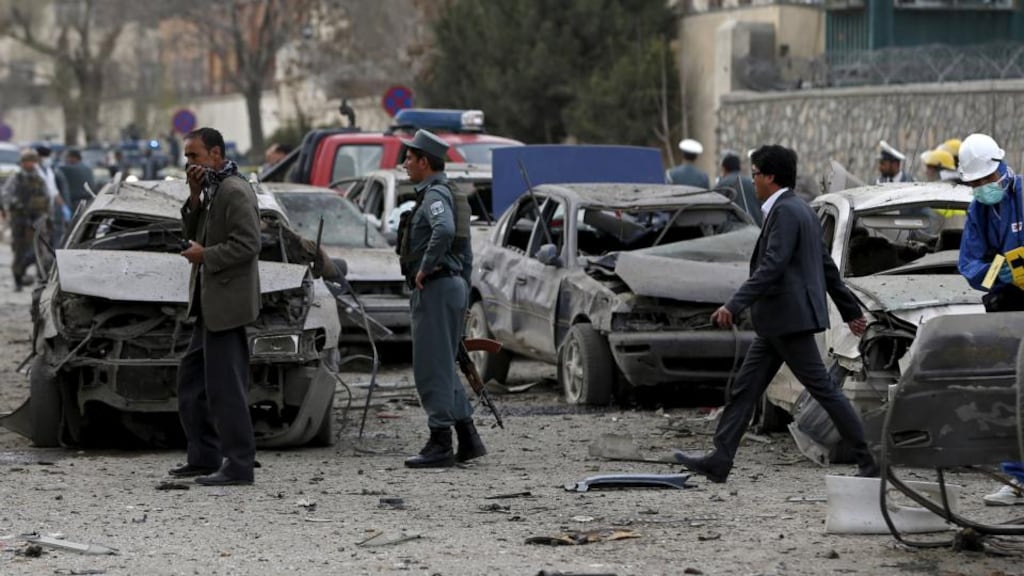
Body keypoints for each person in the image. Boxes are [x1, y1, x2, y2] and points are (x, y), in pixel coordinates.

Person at [673, 144, 878, 483]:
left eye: (754, 174)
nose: (752, 181)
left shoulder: (786, 212)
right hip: (779, 322)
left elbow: (773, 266)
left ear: (769, 176)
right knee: (746, 388)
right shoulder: (800, 210)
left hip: (788, 321)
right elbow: (826, 266)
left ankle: (869, 461)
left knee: (824, 391)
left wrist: (733, 305)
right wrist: (849, 309)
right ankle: (720, 459)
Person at [170, 127, 261, 486]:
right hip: (209, 305)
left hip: (227, 305)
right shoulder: (212, 189)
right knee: (192, 382)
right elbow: (195, 230)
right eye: (187, 157)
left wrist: (205, 255)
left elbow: (249, 244)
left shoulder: (234, 190)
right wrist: (194, 197)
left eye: (195, 156)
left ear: (217, 155)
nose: (189, 163)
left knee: (226, 388)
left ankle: (239, 464)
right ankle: (204, 456)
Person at [396, 129, 484, 469]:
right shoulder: (449, 192)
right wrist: (461, 291)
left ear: (424, 162)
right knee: (444, 366)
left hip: (434, 288)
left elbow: (444, 231)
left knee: (431, 369)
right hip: (451, 287)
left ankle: (439, 442)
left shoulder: (435, 195)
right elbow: (466, 251)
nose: (405, 164)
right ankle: (467, 436)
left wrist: (426, 268)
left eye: (409, 158)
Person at [955, 132, 1024, 506]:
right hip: (1011, 305)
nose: (982, 188)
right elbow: (969, 263)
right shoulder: (979, 209)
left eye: (985, 180)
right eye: (975, 183)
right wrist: (1003, 273)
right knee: (1011, 390)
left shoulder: (1023, 195)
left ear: (1001, 168)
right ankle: (1017, 479)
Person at [0, 149, 50, 291]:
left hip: (38, 220)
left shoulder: (40, 179)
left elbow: (47, 198)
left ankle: (42, 280)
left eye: (33, 161)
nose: (30, 164)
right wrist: (14, 204)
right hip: (20, 220)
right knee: (20, 250)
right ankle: (18, 280)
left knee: (41, 251)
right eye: (27, 161)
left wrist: (47, 216)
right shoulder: (16, 178)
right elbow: (5, 194)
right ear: (22, 163)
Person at [715, 150, 762, 226]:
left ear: (724, 168)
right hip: (756, 229)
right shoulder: (752, 182)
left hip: (734, 231)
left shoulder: (722, 184)